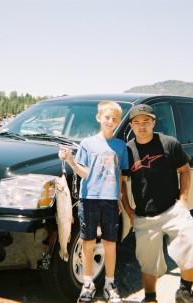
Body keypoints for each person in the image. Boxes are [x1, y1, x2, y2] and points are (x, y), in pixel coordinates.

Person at [120, 104, 193, 303]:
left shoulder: (169, 144)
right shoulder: (127, 151)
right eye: (137, 123)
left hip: (173, 210)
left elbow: (185, 170)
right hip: (143, 215)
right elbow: (121, 183)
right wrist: (129, 211)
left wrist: (183, 199)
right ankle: (150, 298)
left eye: (146, 122)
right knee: (148, 262)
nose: (142, 127)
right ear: (131, 125)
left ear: (154, 122)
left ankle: (185, 290)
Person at [58, 100, 128, 303]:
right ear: (99, 118)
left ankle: (109, 284)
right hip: (89, 200)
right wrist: (70, 160)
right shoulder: (87, 144)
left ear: (118, 121)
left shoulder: (120, 146)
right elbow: (84, 173)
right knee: (87, 242)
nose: (111, 121)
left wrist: (121, 198)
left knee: (110, 242)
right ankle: (87, 284)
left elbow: (121, 175)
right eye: (107, 117)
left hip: (111, 201)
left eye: (115, 118)